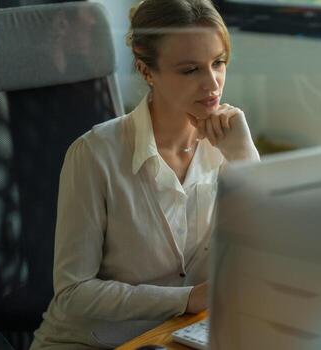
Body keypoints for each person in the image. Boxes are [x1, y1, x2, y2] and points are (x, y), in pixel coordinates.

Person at [30, 0, 259, 348]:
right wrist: (187, 299)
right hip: (89, 342)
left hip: (176, 337)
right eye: (190, 70)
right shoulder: (94, 154)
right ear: (147, 71)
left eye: (218, 63)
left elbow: (272, 254)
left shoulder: (228, 143)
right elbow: (73, 293)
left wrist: (245, 158)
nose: (212, 84)